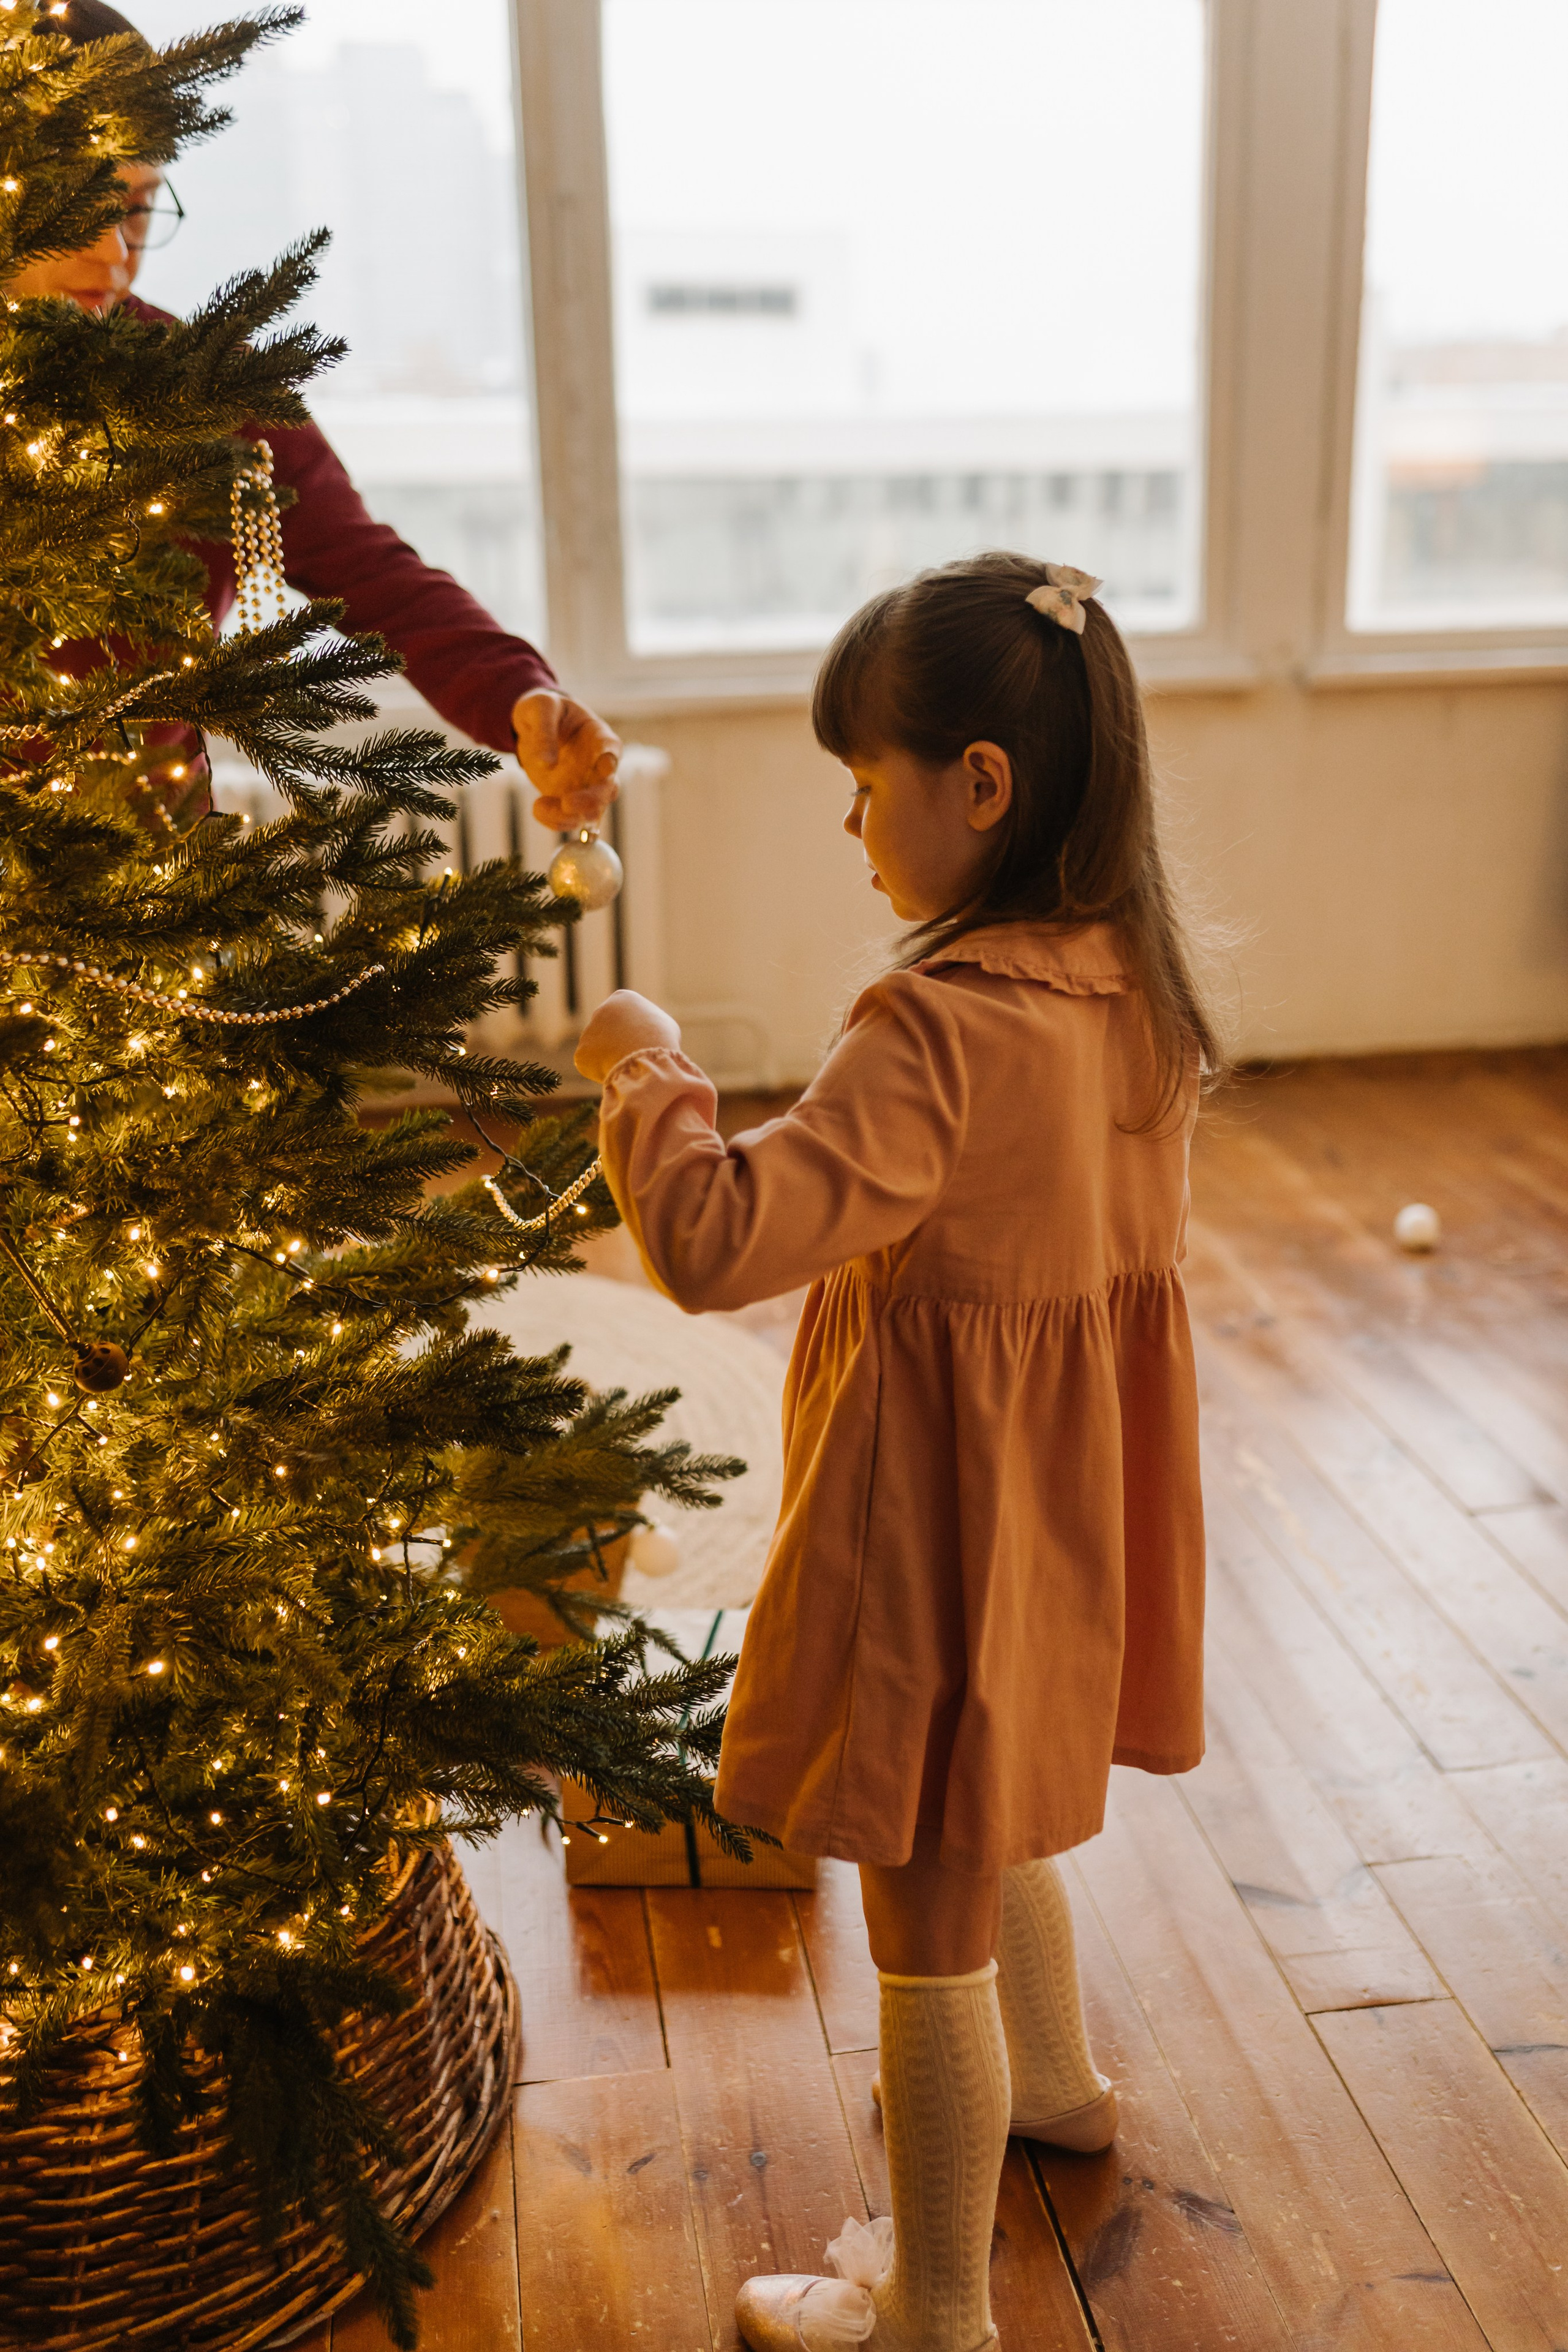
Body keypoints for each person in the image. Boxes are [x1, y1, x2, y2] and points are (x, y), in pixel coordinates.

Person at [575, 552, 1217, 2352]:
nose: (853, 826)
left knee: (923, 1893)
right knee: (1002, 1803)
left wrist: (644, 1073)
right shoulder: (1136, 990)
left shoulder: (932, 1029)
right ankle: (1059, 2084)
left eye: (868, 787)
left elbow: (712, 1244)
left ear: (981, 786)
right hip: (1063, 1523)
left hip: (940, 1527)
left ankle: (938, 2311)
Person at [19, 0, 618, 840]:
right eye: (82, 202)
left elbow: (374, 572)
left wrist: (518, 693)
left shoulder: (203, 398)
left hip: (155, 895)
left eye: (141, 207)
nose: (117, 251)